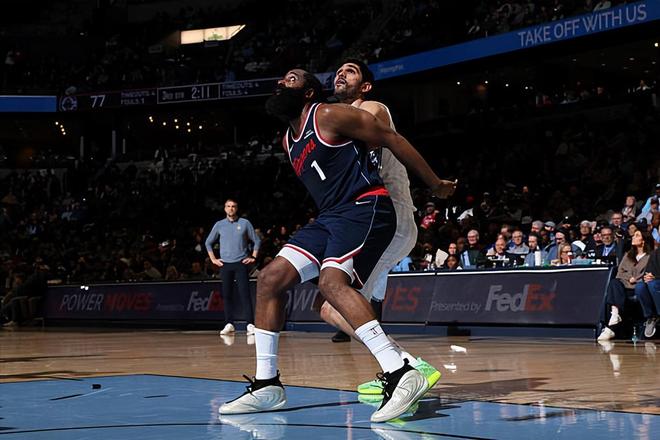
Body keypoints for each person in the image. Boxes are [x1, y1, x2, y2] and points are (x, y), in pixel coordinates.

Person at [219, 69, 455, 423]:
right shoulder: (288, 141)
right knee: (270, 278)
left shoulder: (328, 114)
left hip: (365, 205)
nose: (281, 83)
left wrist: (434, 184)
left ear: (309, 92)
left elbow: (391, 138)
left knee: (332, 285)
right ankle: (267, 384)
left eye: (291, 79)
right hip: (331, 215)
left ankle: (401, 372)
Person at [318, 60, 442, 392]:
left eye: (350, 71)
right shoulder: (342, 120)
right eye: (338, 70)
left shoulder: (372, 108)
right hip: (375, 222)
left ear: (365, 86)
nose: (341, 73)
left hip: (389, 218)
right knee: (339, 308)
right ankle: (399, 367)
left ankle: (407, 367)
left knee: (332, 305)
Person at [206, 199, 261, 336]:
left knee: (244, 294)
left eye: (233, 206)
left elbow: (257, 240)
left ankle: (250, 324)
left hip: (241, 263)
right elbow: (208, 242)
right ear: (225, 208)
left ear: (237, 208)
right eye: (228, 206)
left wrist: (253, 257)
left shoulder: (244, 223)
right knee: (227, 295)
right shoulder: (219, 224)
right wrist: (213, 259)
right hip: (225, 264)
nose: (231, 208)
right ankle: (229, 324)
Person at [597, 230, 654, 341]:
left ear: (643, 241)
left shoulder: (650, 256)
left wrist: (636, 279)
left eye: (637, 235)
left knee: (614, 292)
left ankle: (610, 328)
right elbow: (620, 273)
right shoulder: (628, 255)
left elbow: (648, 274)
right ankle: (615, 315)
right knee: (614, 283)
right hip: (625, 286)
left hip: (639, 288)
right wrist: (630, 278)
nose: (633, 237)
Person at [636, 247, 660, 338]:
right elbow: (647, 272)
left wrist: (656, 277)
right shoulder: (655, 253)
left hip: (657, 281)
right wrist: (647, 277)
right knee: (640, 287)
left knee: (653, 284)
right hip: (655, 281)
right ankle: (651, 317)